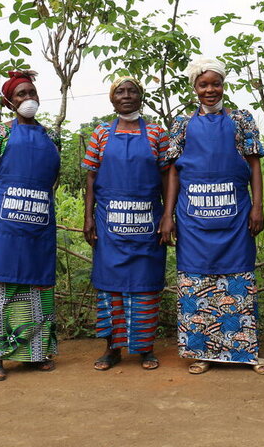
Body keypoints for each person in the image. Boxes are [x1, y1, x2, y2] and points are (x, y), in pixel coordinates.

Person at [159, 56, 264, 375]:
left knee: (236, 279)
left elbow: (254, 165)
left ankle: (243, 352)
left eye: (216, 83)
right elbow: (174, 174)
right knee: (197, 281)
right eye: (203, 84)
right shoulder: (182, 124)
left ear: (224, 85)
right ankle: (202, 352)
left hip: (235, 216)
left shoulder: (241, 119)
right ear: (194, 88)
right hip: (193, 219)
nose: (210, 89)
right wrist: (168, 215)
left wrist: (258, 207)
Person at [0, 71, 61, 381]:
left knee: (39, 289)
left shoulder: (52, 135)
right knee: (2, 289)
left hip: (39, 225)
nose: (28, 99)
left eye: (32, 93)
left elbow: (52, 180)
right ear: (9, 101)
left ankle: (35, 355)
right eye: (21, 94)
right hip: (4, 226)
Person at [82, 76, 170, 371]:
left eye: (133, 91)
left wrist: (168, 216)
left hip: (148, 223)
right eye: (120, 91)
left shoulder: (157, 134)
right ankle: (112, 349)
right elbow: (91, 177)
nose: (127, 95)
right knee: (110, 287)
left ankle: (146, 349)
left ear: (141, 97)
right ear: (112, 98)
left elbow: (169, 177)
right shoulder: (101, 134)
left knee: (145, 286)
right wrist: (88, 217)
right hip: (109, 224)